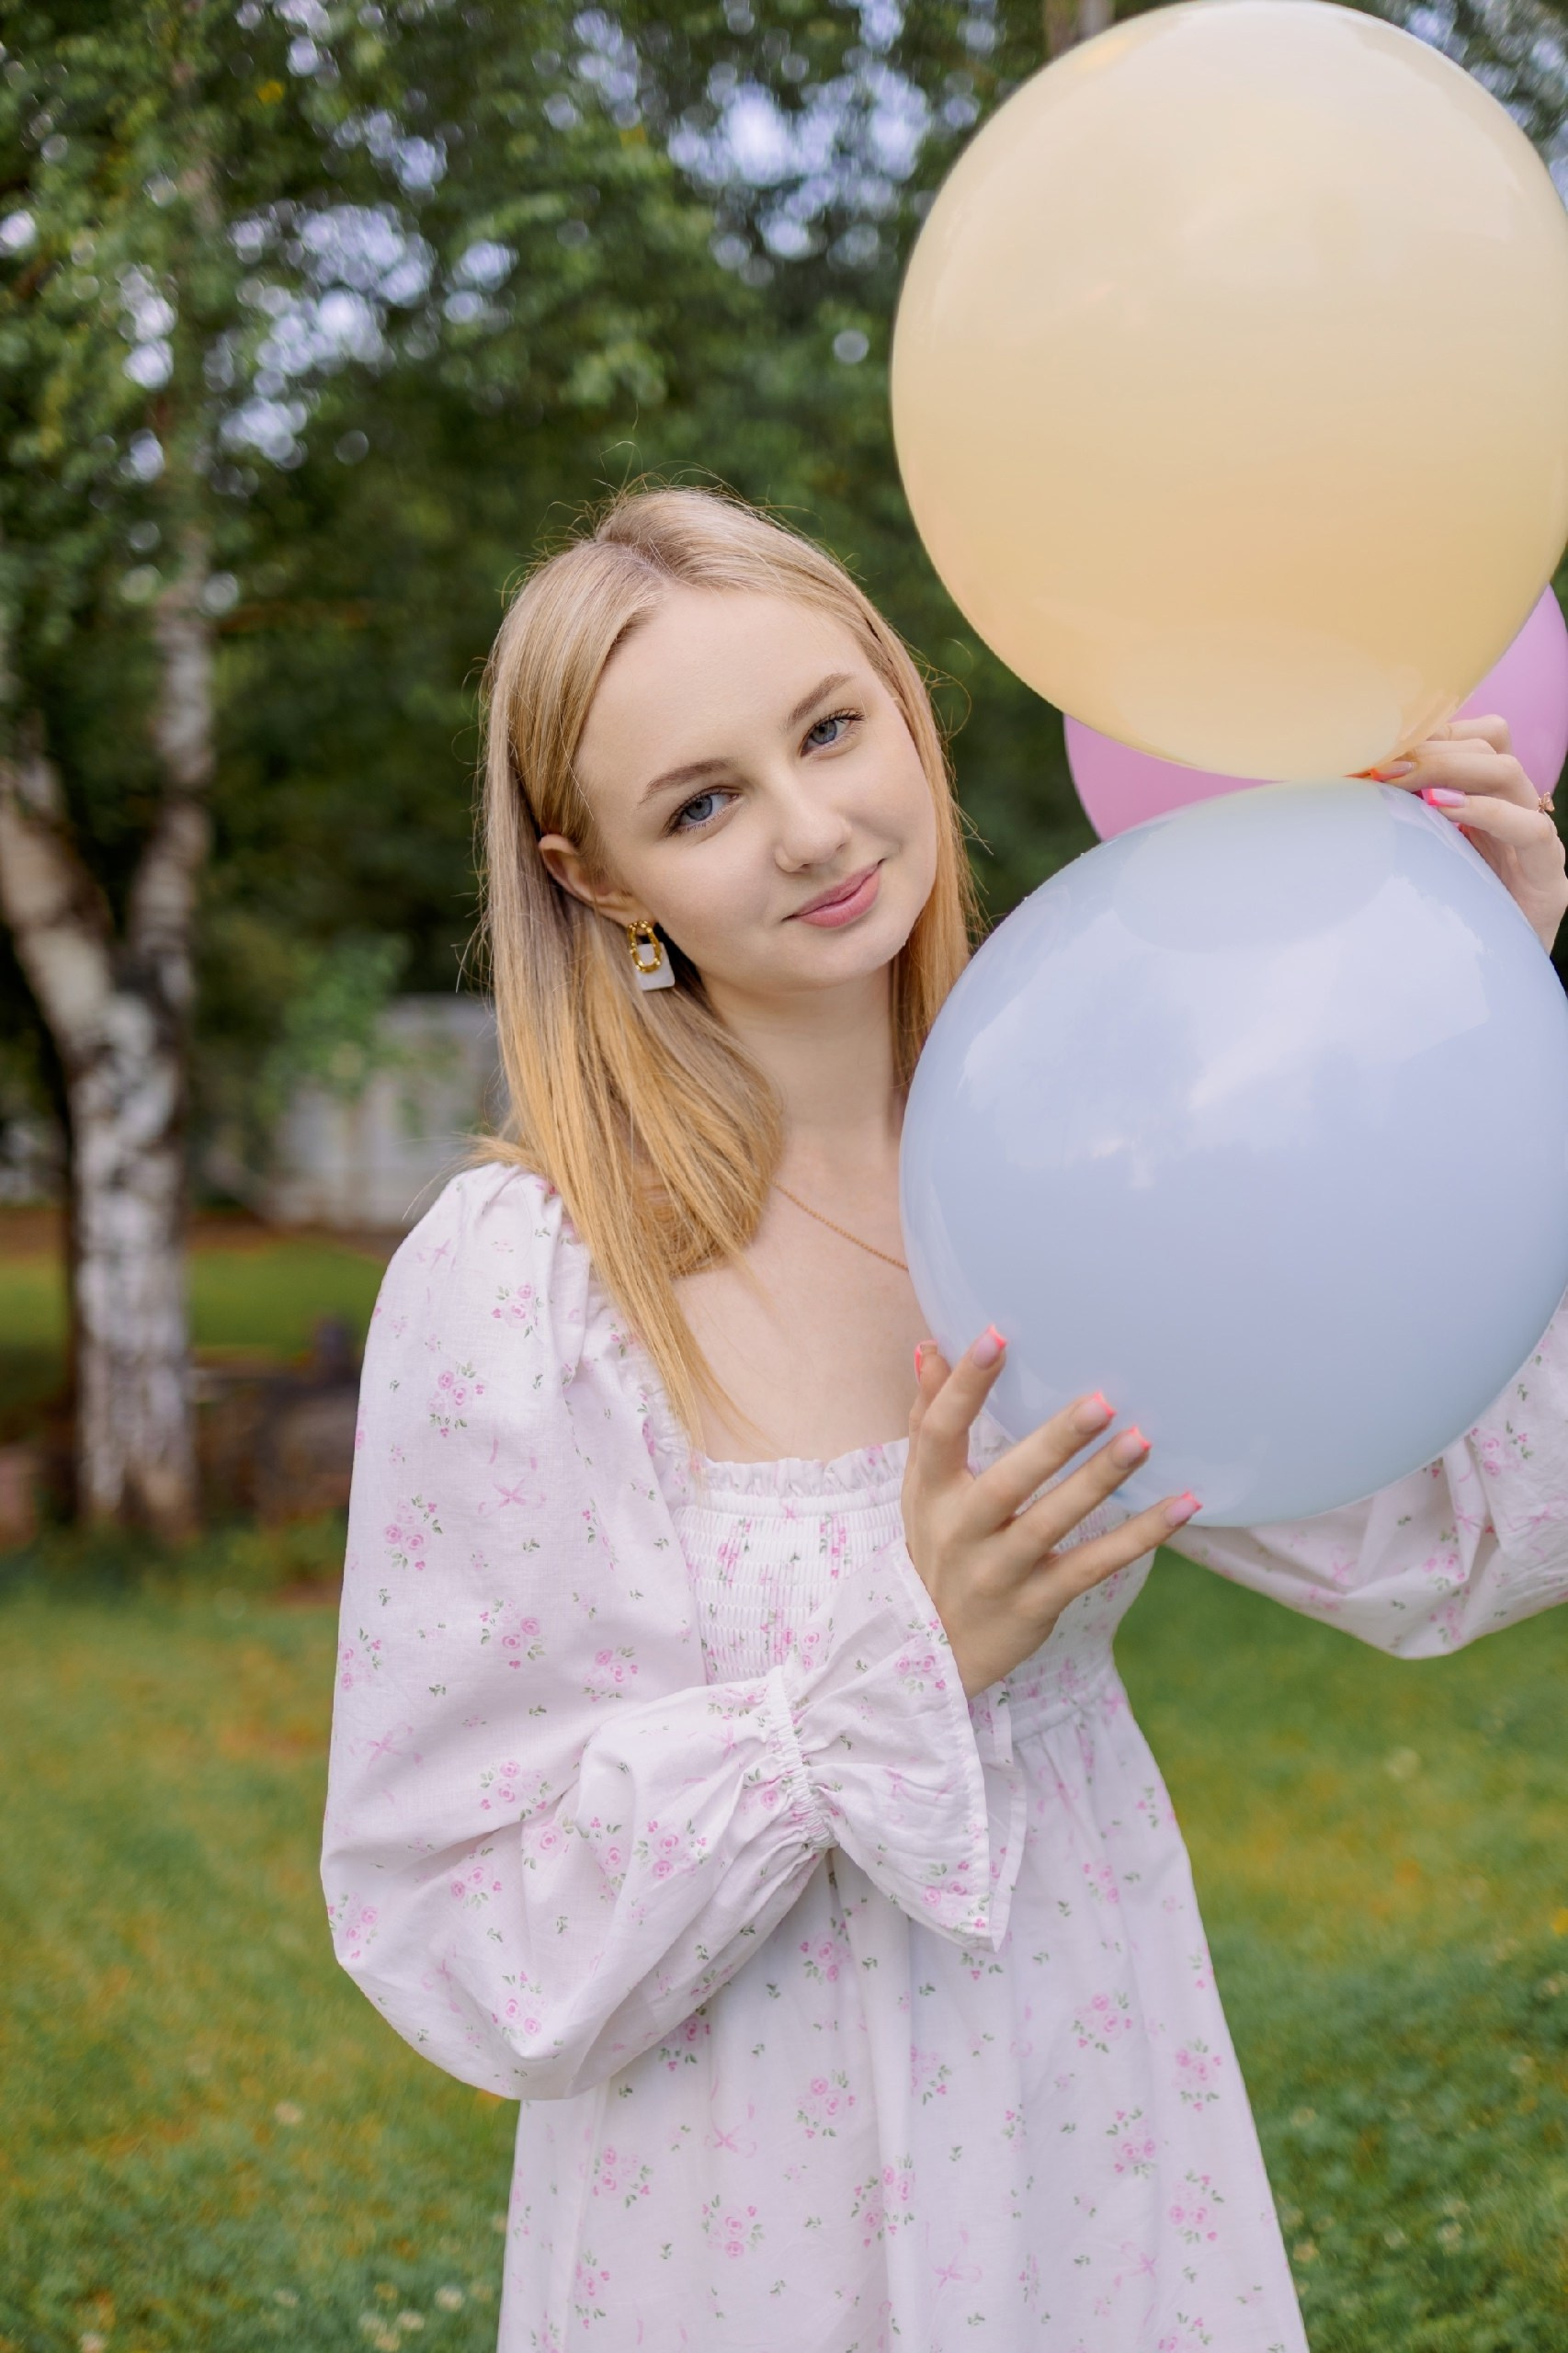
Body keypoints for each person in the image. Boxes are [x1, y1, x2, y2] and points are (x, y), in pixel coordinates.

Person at [322, 487, 1568, 2352]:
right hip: (739, 2188)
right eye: (701, 802)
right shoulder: (531, 1281)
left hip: (1083, 2099)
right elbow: (453, 1911)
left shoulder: (1099, 1148)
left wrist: (1476, 1000)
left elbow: (1462, 1537)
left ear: (906, 708)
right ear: (597, 879)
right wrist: (895, 1667)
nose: (811, 828)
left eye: (830, 728)